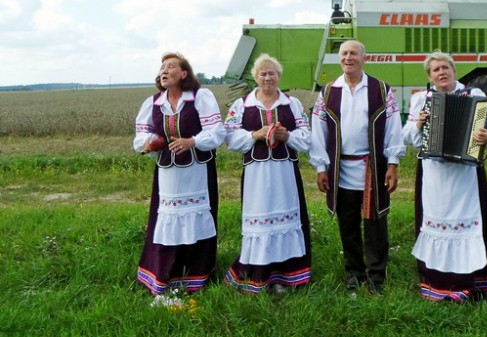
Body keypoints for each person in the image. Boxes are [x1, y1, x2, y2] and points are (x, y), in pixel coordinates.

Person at [401, 50, 487, 302]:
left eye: (445, 67)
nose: (441, 72)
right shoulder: (421, 100)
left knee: (467, 222)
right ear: (430, 75)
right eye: (436, 69)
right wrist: (418, 124)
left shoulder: (474, 96)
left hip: (465, 176)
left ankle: (470, 283)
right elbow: (407, 137)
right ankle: (438, 283)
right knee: (436, 222)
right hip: (434, 176)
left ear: (454, 70)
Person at [310, 40, 405, 294]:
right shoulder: (329, 92)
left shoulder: (381, 89)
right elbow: (318, 132)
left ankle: (376, 277)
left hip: (371, 167)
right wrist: (321, 167)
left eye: (353, 53)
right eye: (344, 54)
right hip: (340, 169)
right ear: (339, 59)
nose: (348, 58)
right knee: (348, 224)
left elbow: (394, 128)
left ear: (364, 58)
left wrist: (392, 163)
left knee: (375, 224)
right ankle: (354, 273)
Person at [134, 52, 227, 295]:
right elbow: (140, 138)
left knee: (197, 218)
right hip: (168, 175)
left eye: (171, 66)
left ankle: (197, 273)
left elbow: (216, 132)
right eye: (162, 67)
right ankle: (165, 273)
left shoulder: (200, 98)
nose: (164, 70)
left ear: (184, 74)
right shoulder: (153, 103)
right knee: (168, 218)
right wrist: (149, 143)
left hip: (197, 170)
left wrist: (191, 141)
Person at [223, 54, 312, 294]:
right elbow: (229, 137)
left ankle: (286, 275)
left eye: (272, 73)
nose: (268, 77)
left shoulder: (291, 104)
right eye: (263, 73)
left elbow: (307, 136)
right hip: (256, 173)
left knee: (284, 218)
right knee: (260, 218)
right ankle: (258, 274)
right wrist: (254, 135)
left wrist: (288, 136)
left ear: (279, 76)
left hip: (284, 172)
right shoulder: (243, 104)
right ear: (256, 78)